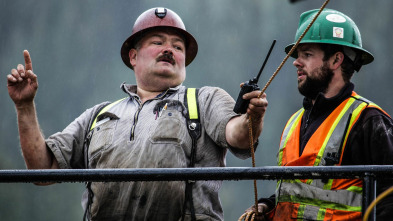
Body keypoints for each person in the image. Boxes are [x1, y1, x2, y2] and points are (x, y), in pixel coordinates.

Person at [7, 7, 268, 221]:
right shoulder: (99, 115)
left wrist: (252, 118)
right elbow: (42, 170)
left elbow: (239, 136)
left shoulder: (204, 100)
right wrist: (24, 106)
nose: (169, 50)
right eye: (158, 42)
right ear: (133, 56)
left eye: (178, 47)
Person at [245, 8, 393, 220]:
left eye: (307, 54)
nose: (296, 61)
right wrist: (268, 205)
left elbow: (389, 201)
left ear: (335, 60)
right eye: (298, 55)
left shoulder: (368, 121)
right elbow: (299, 193)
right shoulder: (294, 122)